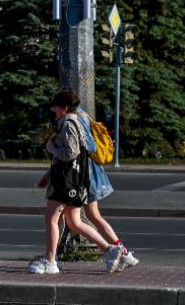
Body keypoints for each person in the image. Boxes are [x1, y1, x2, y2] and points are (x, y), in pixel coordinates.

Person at [28, 88, 122, 274]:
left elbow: (71, 153)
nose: (54, 111)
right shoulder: (77, 121)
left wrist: (51, 148)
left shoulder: (69, 123)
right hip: (75, 180)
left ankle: (50, 261)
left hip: (66, 182)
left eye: (56, 108)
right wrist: (48, 175)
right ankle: (109, 250)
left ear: (64, 108)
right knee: (74, 222)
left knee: (52, 219)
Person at [37, 106, 139, 271]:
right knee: (76, 218)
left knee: (80, 217)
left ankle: (120, 253)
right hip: (84, 173)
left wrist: (53, 148)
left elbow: (82, 149)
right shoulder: (80, 117)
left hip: (83, 175)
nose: (54, 110)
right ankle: (53, 257)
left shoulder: (75, 119)